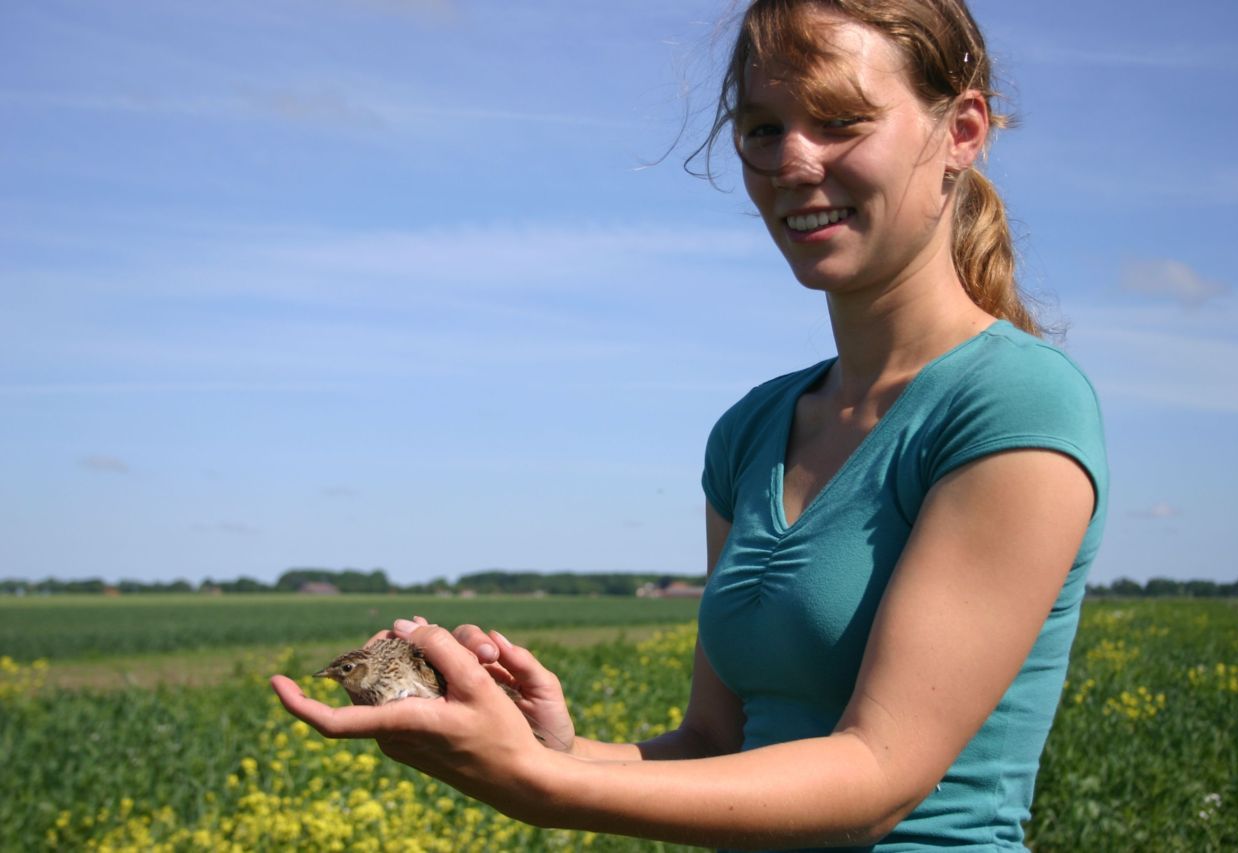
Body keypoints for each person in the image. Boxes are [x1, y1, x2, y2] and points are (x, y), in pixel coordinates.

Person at [271, 0, 1107, 849]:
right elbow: (716, 745)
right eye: (762, 128)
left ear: (961, 132)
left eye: (841, 122)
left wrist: (545, 787)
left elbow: (877, 776)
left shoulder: (1014, 402)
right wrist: (552, 749)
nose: (794, 161)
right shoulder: (750, 432)